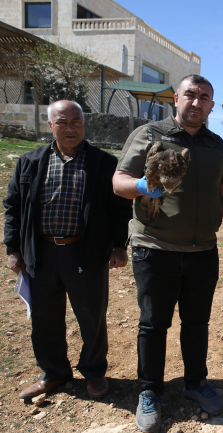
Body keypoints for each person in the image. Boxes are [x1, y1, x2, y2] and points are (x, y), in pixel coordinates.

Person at [112, 74, 223, 432]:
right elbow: (119, 180)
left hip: (202, 251)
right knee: (154, 324)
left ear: (212, 106)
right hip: (155, 248)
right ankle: (149, 392)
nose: (196, 102)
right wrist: (140, 186)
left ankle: (195, 383)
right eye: (190, 95)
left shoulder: (216, 145)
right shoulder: (150, 134)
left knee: (197, 323)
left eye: (204, 98)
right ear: (176, 98)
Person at [3, 100, 132, 401]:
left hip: (86, 253)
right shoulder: (30, 162)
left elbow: (120, 207)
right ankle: (53, 373)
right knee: (45, 319)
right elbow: (13, 207)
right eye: (63, 121)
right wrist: (13, 249)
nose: (71, 127)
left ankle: (94, 372)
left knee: (92, 317)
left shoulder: (103, 163)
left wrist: (118, 246)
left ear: (84, 125)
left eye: (76, 121)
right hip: (41, 253)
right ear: (50, 126)